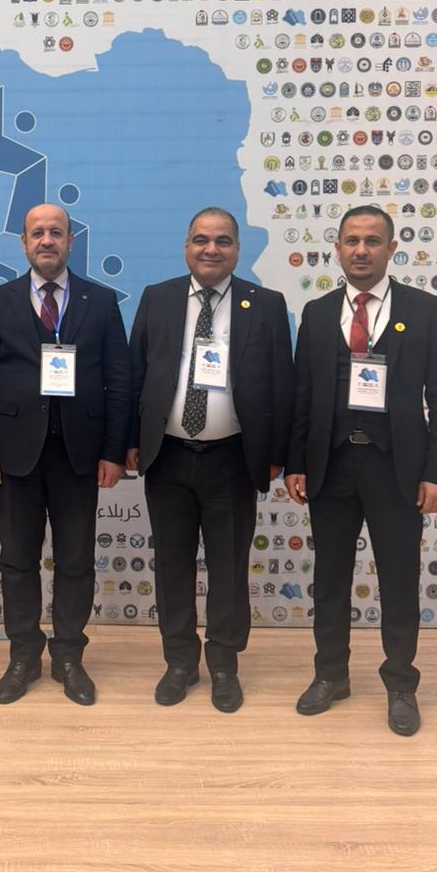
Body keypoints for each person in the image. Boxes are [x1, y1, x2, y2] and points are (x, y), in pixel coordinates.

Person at [285, 206, 437, 736]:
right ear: (337, 248)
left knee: (399, 580)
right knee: (329, 580)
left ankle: (401, 684)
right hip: (331, 467)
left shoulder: (424, 310)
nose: (361, 250)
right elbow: (303, 395)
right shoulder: (317, 313)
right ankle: (330, 675)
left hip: (397, 469)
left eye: (372, 241)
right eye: (352, 240)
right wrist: (296, 462)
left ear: (391, 248)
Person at [126, 208, 294, 712]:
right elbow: (134, 374)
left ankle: (223, 663)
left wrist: (277, 455)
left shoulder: (265, 304)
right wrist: (128, 442)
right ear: (186, 247)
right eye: (201, 239)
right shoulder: (158, 298)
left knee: (229, 567)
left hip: (233, 459)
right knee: (171, 566)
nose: (211, 249)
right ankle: (180, 661)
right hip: (168, 457)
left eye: (222, 241)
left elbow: (282, 385)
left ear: (237, 249)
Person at [0, 203, 131, 706]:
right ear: (23, 242)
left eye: (55, 232)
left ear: (70, 241)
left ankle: (68, 656)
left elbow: (119, 381)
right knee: (17, 560)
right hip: (15, 454)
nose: (46, 241)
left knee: (76, 561)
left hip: (81, 454)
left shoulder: (101, 301)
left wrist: (114, 451)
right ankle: (23, 655)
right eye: (36, 233)